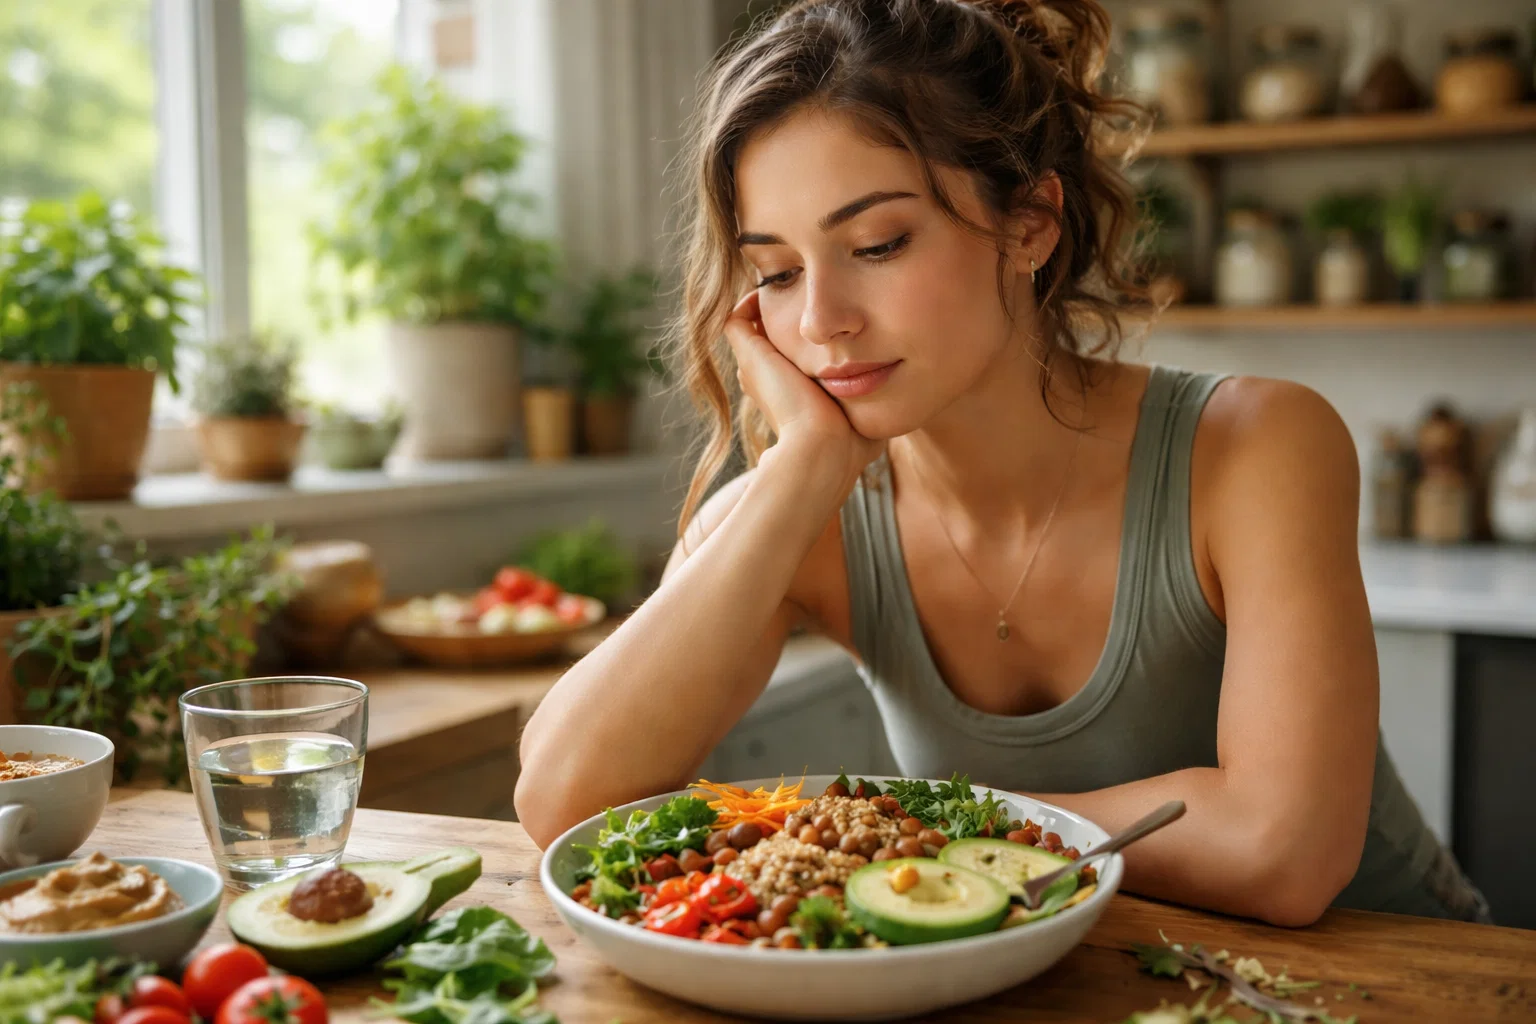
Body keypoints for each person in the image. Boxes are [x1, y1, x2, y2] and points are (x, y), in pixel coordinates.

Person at [514, 0, 1489, 925]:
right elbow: (563, 794)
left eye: (878, 244)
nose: (819, 320)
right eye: (776, 272)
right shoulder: (806, 503)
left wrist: (907, 828)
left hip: (1398, 981)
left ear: (1029, 225)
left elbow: (1285, 853)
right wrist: (805, 464)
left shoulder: (1258, 445)